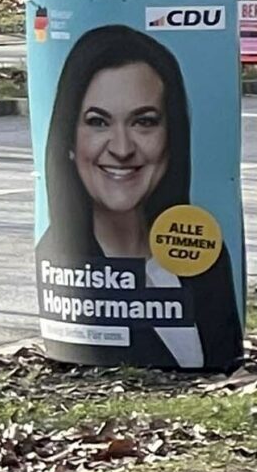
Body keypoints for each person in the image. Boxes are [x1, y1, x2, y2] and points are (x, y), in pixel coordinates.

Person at [37, 24, 241, 369]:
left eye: (144, 122)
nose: (121, 148)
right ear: (68, 139)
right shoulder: (57, 257)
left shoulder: (201, 251)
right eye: (98, 122)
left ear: (171, 135)